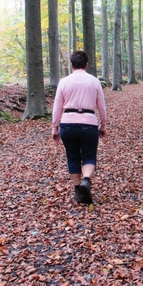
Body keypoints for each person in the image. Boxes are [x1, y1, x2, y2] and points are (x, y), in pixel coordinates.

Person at [52, 51, 108, 204]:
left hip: (68, 123)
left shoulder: (64, 82)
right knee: (89, 155)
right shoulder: (94, 81)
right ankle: (86, 180)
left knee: (73, 157)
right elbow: (101, 106)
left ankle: (78, 190)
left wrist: (54, 128)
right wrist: (103, 125)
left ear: (72, 65)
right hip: (89, 123)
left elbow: (57, 108)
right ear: (86, 64)